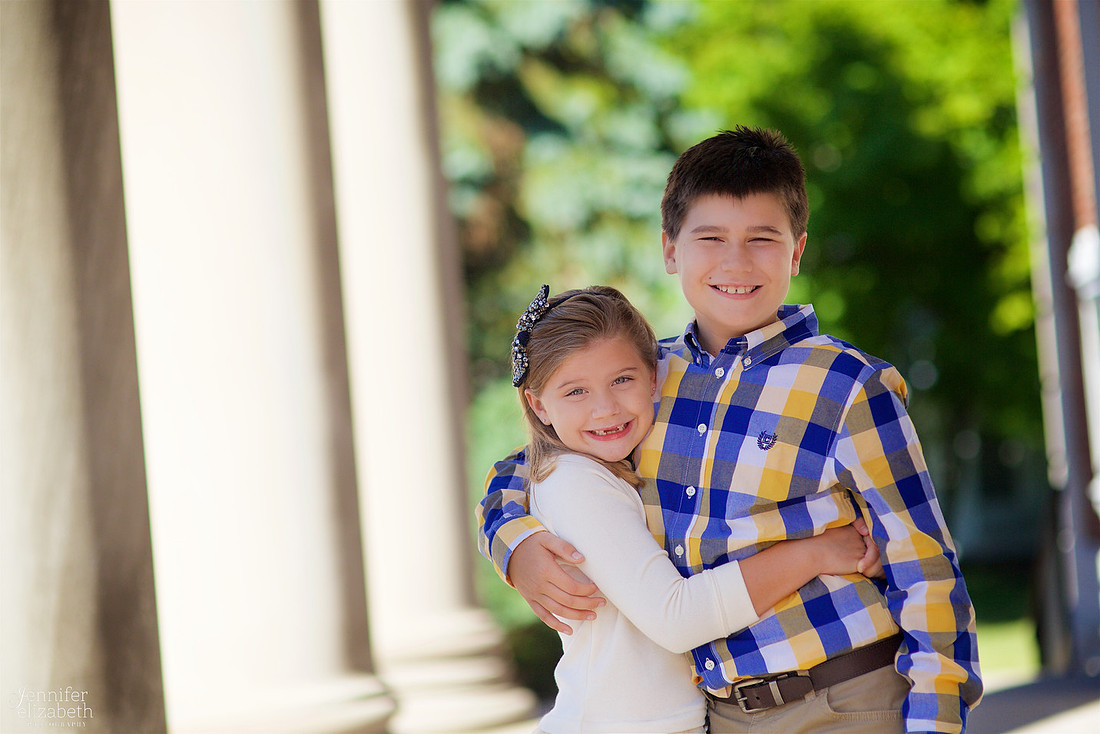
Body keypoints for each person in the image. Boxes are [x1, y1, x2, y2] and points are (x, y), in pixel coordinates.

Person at [478, 127, 982, 733]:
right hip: (720, 715)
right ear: (670, 250)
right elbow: (530, 460)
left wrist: (935, 722)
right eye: (710, 237)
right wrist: (515, 544)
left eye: (762, 239)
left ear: (797, 252)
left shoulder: (847, 386)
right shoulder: (640, 380)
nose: (736, 261)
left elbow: (926, 572)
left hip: (845, 697)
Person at [507, 283, 881, 734]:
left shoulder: (624, 460)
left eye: (621, 379)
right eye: (575, 392)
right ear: (537, 404)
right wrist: (816, 552)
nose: (604, 408)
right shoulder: (573, 481)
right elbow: (676, 617)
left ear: (653, 377)